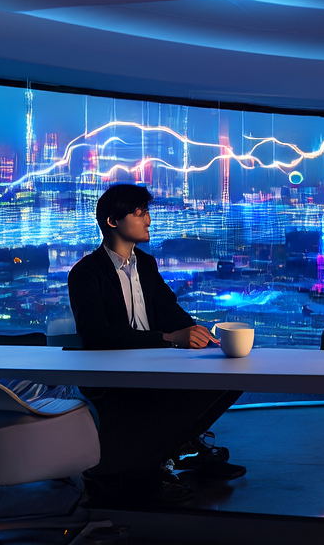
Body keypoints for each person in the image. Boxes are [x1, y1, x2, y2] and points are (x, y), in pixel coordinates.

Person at [68, 183, 244, 505]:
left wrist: (201, 335)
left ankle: (182, 448)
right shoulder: (85, 274)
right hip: (113, 375)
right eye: (140, 213)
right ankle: (148, 467)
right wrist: (167, 339)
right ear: (112, 221)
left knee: (233, 380)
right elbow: (97, 336)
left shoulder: (146, 265)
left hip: (156, 364)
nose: (149, 220)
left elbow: (168, 310)